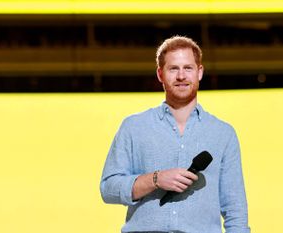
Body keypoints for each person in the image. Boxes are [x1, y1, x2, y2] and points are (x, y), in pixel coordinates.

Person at [100, 35, 250, 233]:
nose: (181, 76)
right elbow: (108, 189)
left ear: (200, 72)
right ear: (160, 74)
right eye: (173, 69)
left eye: (188, 68)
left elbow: (235, 210)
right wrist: (155, 179)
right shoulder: (133, 127)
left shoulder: (223, 134)